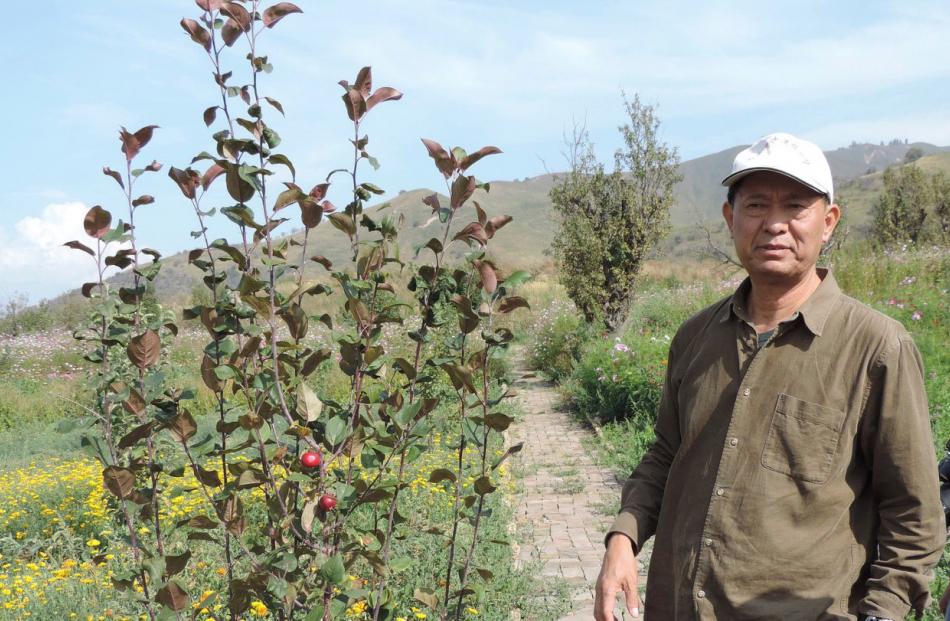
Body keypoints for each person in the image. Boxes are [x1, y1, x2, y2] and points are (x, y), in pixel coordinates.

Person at [593, 133, 946, 621]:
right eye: (756, 205)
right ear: (730, 218)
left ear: (829, 222)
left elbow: (913, 513)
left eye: (796, 207)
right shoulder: (696, 336)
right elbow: (666, 453)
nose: (774, 224)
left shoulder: (876, 347)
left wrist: (884, 611)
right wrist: (623, 537)